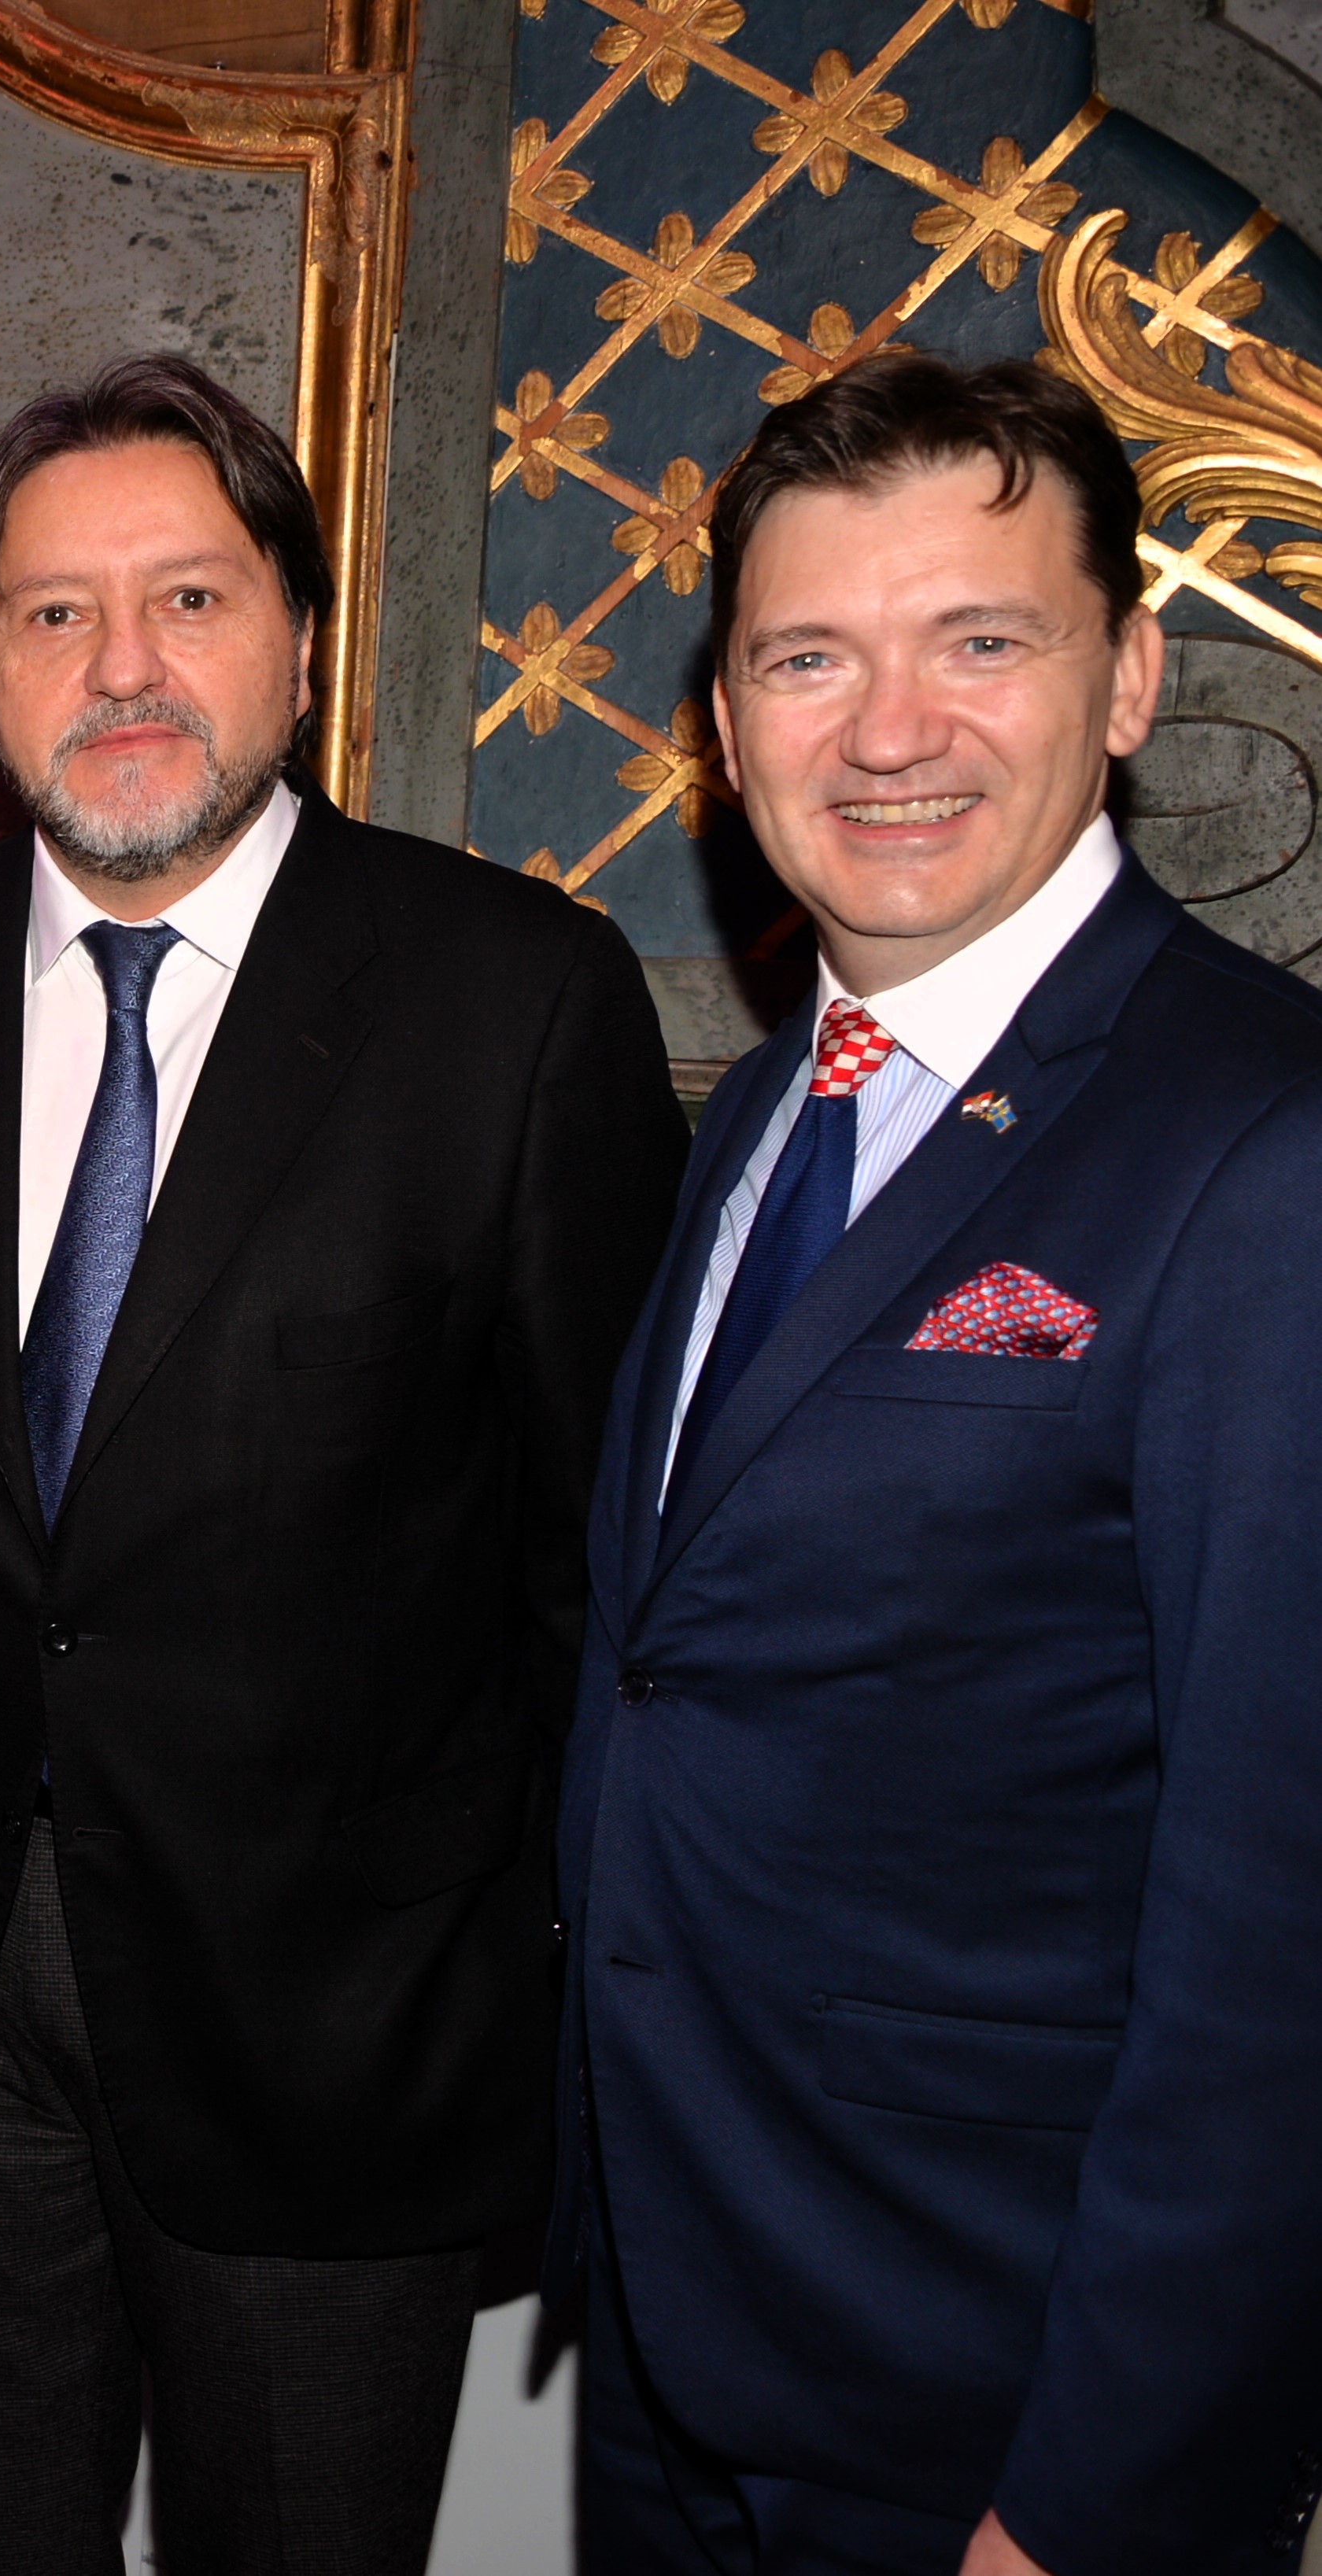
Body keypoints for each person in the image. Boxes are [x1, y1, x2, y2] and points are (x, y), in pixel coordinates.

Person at [0, 353, 687, 2574]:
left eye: (184, 596)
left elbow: (600, 1569)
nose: (120, 667)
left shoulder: (514, 998)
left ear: (296, 633)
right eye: (50, 612)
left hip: (332, 2019)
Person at [558, 352, 1322, 2574]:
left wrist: (1098, 2495)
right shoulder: (761, 1103)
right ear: (723, 725)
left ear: (1127, 682)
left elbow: (1278, 1930)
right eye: (807, 657)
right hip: (686, 2324)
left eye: (977, 639)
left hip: (993, 2411)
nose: (886, 730)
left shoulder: (1264, 1145)